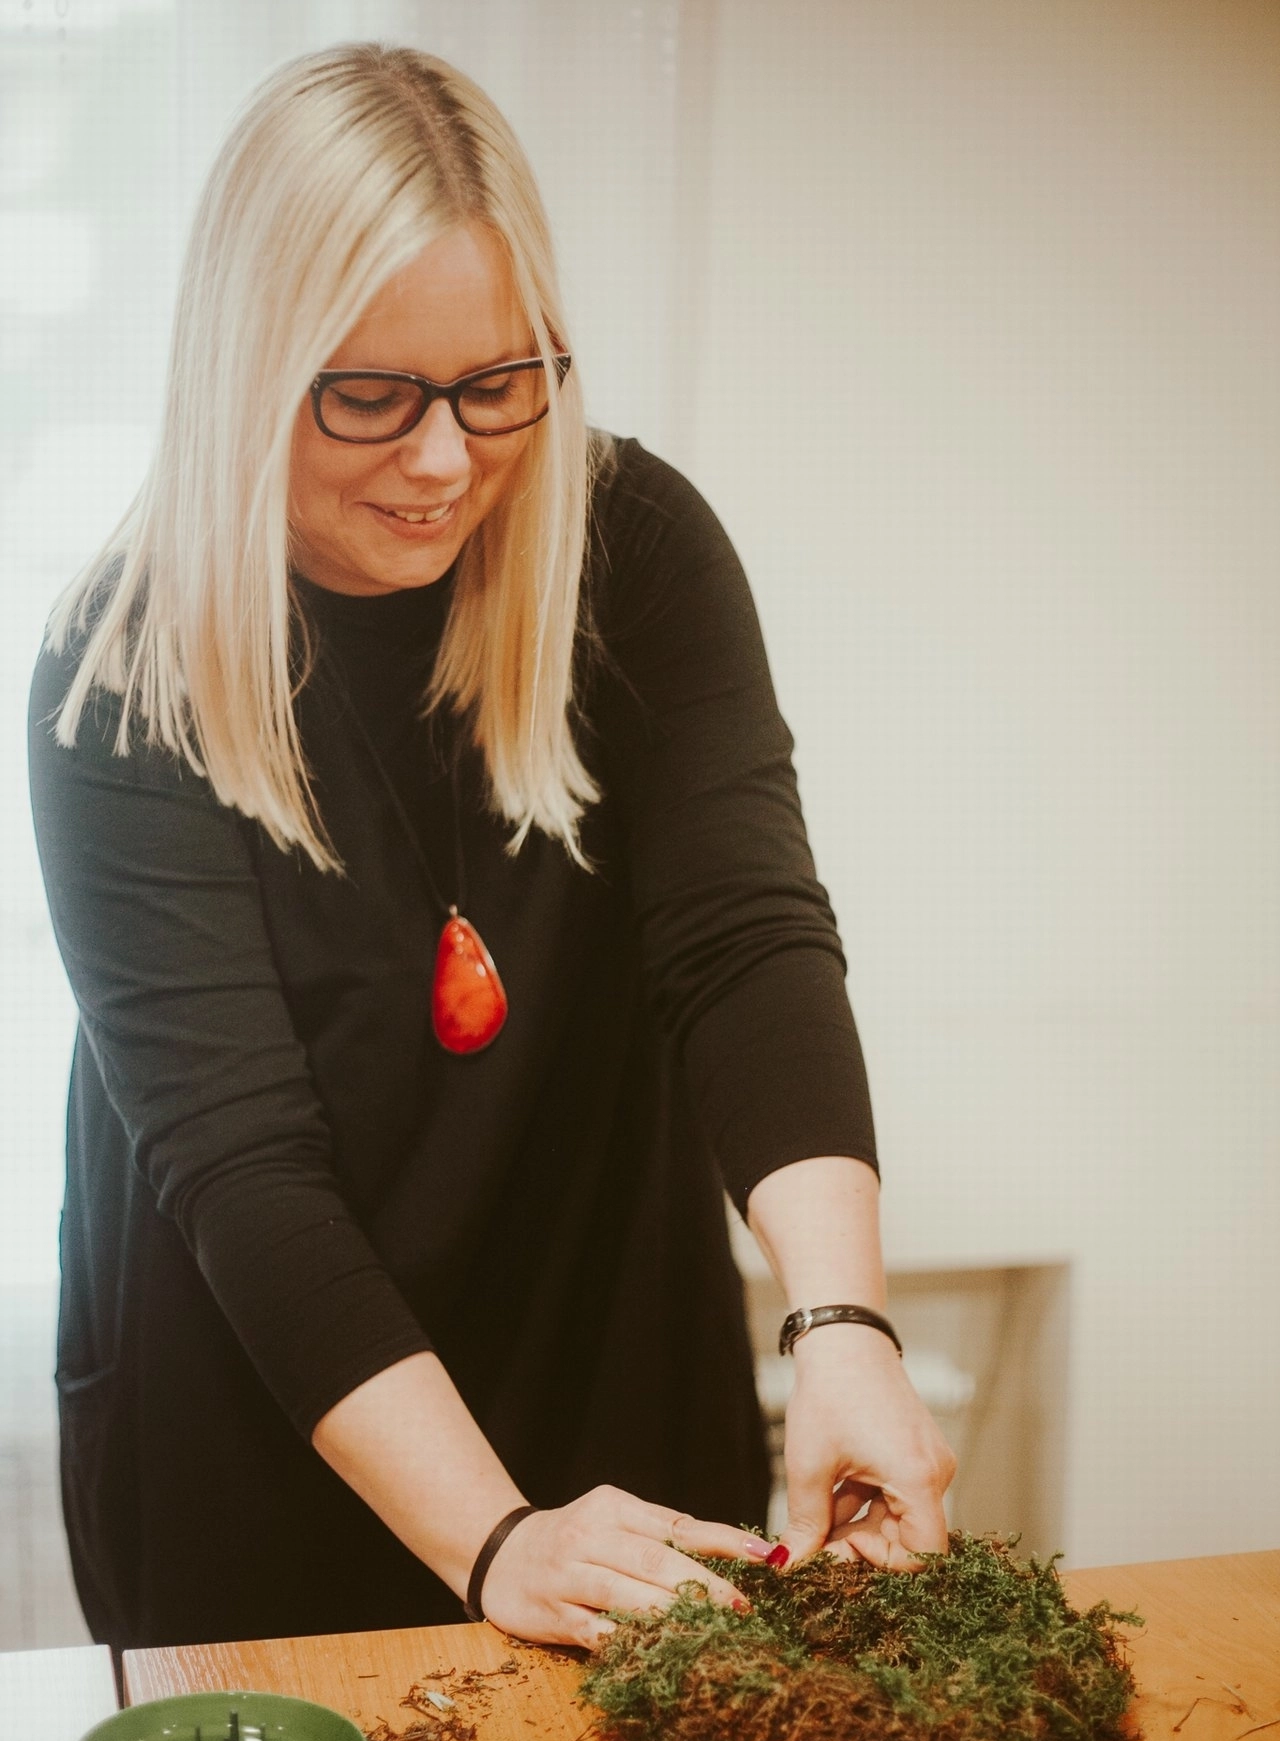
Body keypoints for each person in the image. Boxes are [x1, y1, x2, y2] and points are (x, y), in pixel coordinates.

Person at [29, 44, 954, 1654]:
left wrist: (842, 1324)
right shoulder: (124, 671)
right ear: (245, 370)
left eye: (498, 385)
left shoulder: (635, 553)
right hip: (262, 1396)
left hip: (595, 1328)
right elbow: (244, 1165)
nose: (447, 459)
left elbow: (746, 943)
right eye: (370, 396)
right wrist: (497, 1538)